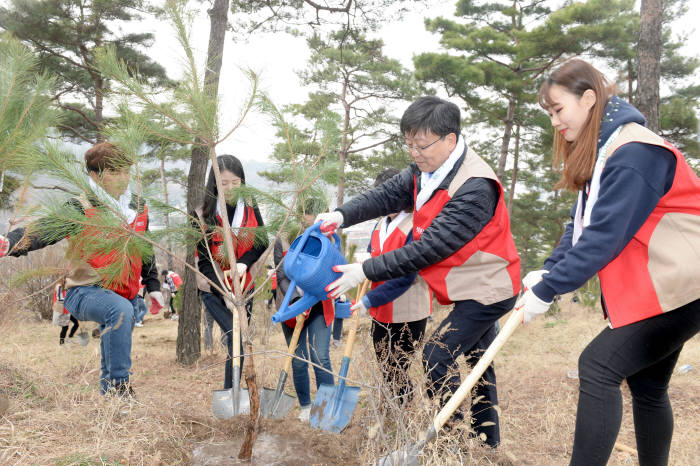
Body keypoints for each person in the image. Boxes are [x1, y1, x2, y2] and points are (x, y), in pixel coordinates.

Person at [519, 59, 700, 466]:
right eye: (548, 114)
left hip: (684, 286)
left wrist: (549, 290)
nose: (554, 123)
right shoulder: (606, 149)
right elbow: (582, 223)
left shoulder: (633, 151)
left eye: (558, 110)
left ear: (588, 99)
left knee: (597, 367)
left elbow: (605, 236)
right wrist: (550, 268)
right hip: (666, 286)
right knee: (648, 385)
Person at [319, 96, 521, 447]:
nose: (413, 152)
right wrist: (341, 215)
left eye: (421, 144)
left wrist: (364, 270)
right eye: (408, 143)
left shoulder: (475, 186)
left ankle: (450, 438)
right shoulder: (425, 173)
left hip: (489, 288)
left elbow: (429, 249)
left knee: (436, 356)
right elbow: (383, 196)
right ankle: (488, 441)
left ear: (450, 140)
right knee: (478, 360)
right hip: (459, 286)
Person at [0, 142, 163, 396]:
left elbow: (146, 249)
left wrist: (153, 287)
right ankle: (120, 387)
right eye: (114, 172)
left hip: (126, 293)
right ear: (95, 176)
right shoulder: (81, 206)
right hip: (85, 291)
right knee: (119, 310)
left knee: (125, 314)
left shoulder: (137, 208)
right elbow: (45, 229)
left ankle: (109, 392)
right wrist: (12, 242)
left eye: (126, 171)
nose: (124, 178)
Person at [351, 168, 432, 406]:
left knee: (398, 367)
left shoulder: (416, 226)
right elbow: (373, 253)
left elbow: (406, 276)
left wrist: (368, 300)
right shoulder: (379, 225)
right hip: (380, 310)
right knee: (385, 366)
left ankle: (403, 413)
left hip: (407, 310)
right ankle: (391, 410)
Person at [195, 154, 268, 391]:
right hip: (213, 287)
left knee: (241, 342)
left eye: (235, 183)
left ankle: (233, 392)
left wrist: (244, 263)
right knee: (234, 337)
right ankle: (231, 393)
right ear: (214, 182)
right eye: (224, 183)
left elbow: (261, 241)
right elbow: (204, 261)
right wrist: (223, 290)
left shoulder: (250, 204)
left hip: (243, 285)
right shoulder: (203, 212)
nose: (230, 188)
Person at [274, 198, 336, 422]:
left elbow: (332, 273)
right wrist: (297, 301)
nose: (313, 219)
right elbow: (281, 276)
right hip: (291, 307)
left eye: (319, 214)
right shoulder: (284, 239)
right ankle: (306, 406)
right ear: (301, 215)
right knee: (299, 358)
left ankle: (326, 408)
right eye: (308, 214)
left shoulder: (329, 241)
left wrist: (311, 298)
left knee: (320, 355)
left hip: (319, 303)